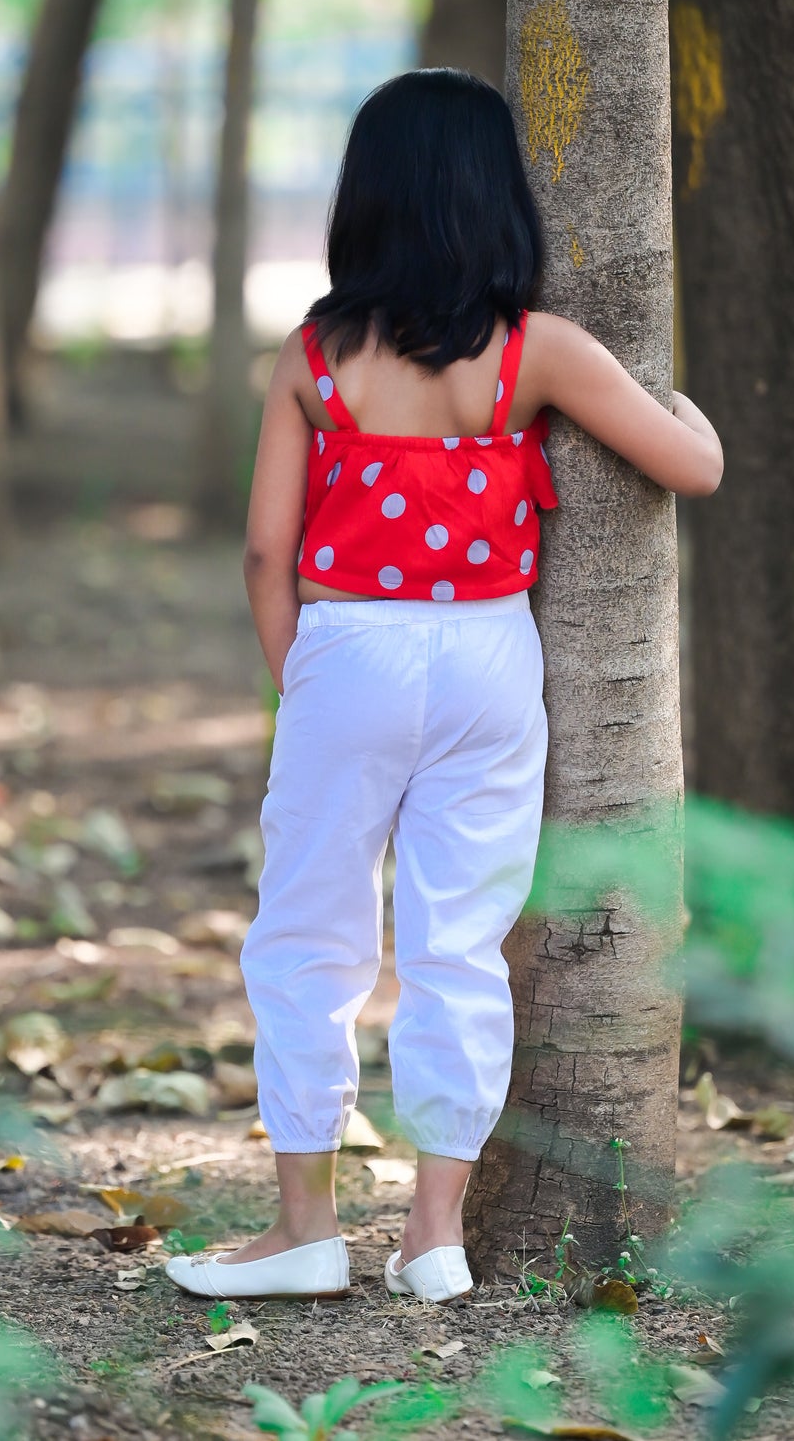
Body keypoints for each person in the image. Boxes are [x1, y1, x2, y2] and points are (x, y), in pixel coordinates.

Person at [165, 68, 722, 1306]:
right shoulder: (534, 353)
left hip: (345, 646)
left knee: (308, 934)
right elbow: (693, 463)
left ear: (363, 203)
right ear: (496, 201)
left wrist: (302, 681)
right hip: (485, 655)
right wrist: (663, 396)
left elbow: (265, 549)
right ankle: (432, 1232)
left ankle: (303, 1224)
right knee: (456, 941)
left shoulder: (314, 358)